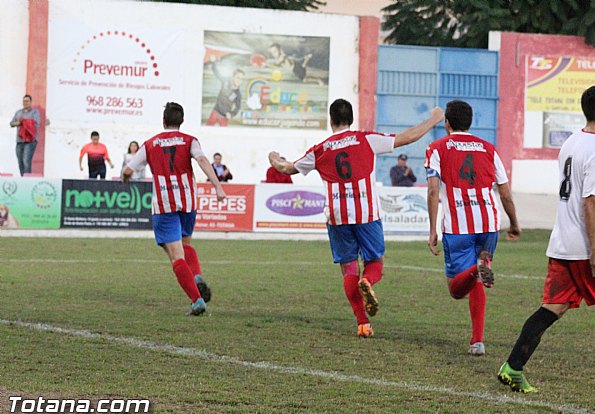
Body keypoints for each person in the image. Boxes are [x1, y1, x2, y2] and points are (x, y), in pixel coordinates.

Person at [498, 85, 595, 393]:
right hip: (587, 245)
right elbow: (589, 201)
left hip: (562, 244)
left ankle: (513, 367)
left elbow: (582, 196)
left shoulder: (572, 143)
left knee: (553, 307)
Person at [269, 98, 444, 337]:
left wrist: (273, 156)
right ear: (351, 119)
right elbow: (409, 136)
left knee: (348, 268)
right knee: (375, 264)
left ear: (330, 120)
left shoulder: (320, 150)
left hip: (337, 216)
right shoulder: (366, 139)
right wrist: (434, 119)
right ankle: (369, 281)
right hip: (367, 212)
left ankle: (363, 323)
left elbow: (286, 168)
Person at [425, 100, 520, 356]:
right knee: (478, 276)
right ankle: (477, 341)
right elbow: (505, 193)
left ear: (447, 122)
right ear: (470, 122)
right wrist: (514, 223)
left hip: (459, 227)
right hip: (489, 225)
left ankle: (475, 272)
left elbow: (433, 190)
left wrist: (433, 228)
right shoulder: (489, 149)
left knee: (457, 290)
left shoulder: (437, 148)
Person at [123, 102, 227, 316]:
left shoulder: (150, 144)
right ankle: (196, 275)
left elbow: (128, 169)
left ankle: (197, 300)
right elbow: (202, 160)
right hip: (188, 202)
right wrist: (217, 186)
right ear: (181, 121)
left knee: (175, 255)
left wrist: (125, 177)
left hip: (164, 205)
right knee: (185, 244)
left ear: (163, 120)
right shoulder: (190, 141)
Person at [9, 94, 41, 176]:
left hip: (30, 141)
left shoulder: (35, 112)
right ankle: (23, 178)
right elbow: (12, 123)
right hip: (20, 140)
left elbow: (36, 124)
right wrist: (19, 123)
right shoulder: (18, 112)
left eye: (27, 101)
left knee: (26, 160)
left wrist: (24, 122)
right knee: (20, 161)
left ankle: (27, 180)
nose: (25, 103)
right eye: (24, 101)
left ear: (30, 102)